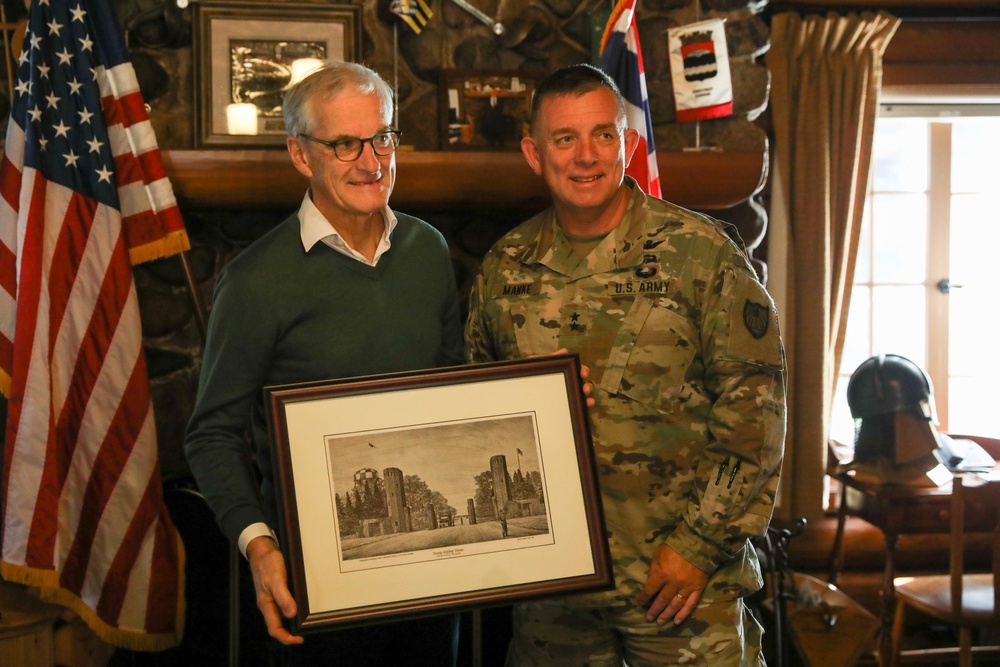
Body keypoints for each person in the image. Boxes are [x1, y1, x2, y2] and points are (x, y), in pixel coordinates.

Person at [464, 63, 787, 666]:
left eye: (603, 136)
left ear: (629, 144)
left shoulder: (701, 255)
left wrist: (697, 545)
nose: (586, 157)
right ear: (535, 153)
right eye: (565, 139)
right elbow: (478, 417)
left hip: (681, 586)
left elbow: (756, 418)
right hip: (554, 594)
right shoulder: (504, 267)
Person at [184, 61, 463, 665]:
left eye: (383, 136)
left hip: (432, 579)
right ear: (301, 155)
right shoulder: (255, 281)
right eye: (344, 144)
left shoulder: (428, 250)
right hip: (314, 580)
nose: (372, 161)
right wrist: (259, 547)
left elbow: (452, 393)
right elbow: (211, 435)